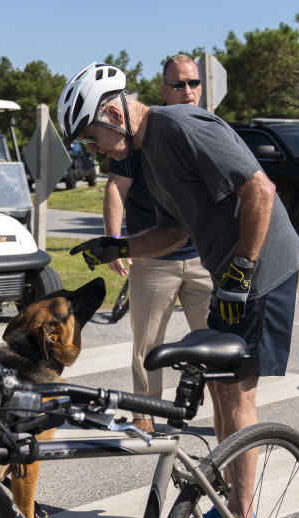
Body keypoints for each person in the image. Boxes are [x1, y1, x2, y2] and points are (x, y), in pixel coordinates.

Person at [60, 62, 299, 518]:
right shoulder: (149, 151)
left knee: (237, 395)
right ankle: (228, 504)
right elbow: (175, 231)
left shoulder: (180, 125)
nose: (95, 150)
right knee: (220, 389)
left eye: (92, 138)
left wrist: (242, 268)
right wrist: (119, 246)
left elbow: (260, 190)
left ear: (112, 112)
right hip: (231, 276)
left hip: (262, 270)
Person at [101, 54, 212, 434]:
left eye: (194, 83)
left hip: (203, 259)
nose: (188, 91)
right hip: (153, 258)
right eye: (179, 84)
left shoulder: (206, 129)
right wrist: (116, 241)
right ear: (163, 90)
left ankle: (230, 420)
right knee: (148, 347)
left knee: (216, 345)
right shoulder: (140, 134)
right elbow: (116, 187)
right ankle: (144, 419)